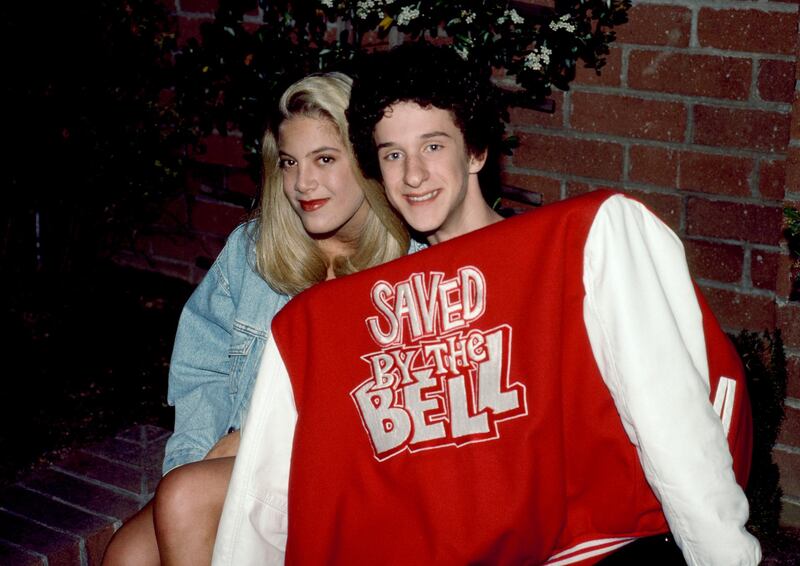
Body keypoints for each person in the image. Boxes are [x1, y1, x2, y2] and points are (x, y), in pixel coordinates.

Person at [212, 42, 760, 566]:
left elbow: (668, 408)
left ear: (475, 150)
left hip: (605, 544)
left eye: (432, 146)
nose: (414, 174)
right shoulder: (345, 312)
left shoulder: (580, 246)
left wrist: (723, 553)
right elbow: (269, 492)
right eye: (392, 154)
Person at [102, 71, 418, 565]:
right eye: (289, 162)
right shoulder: (254, 251)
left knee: (185, 502)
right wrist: (195, 462)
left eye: (325, 160)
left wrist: (251, 448)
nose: (302, 183)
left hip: (342, 473)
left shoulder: (410, 265)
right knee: (128, 554)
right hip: (236, 460)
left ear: (366, 159)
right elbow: (199, 370)